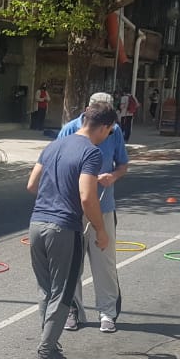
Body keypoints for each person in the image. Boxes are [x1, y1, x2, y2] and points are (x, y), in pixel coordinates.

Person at [24, 103, 118, 359]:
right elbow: (87, 197)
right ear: (103, 127)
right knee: (63, 291)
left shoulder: (54, 145)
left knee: (46, 289)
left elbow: (32, 185)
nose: (108, 136)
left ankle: (50, 345)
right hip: (63, 228)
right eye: (110, 132)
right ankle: (46, 353)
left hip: (37, 223)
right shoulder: (91, 152)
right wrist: (101, 231)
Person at [56, 91, 129, 333]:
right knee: (71, 264)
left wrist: (114, 176)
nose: (107, 128)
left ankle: (107, 312)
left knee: (104, 263)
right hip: (74, 210)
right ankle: (72, 311)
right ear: (90, 111)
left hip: (103, 206)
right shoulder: (69, 130)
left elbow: (122, 164)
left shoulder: (114, 132)